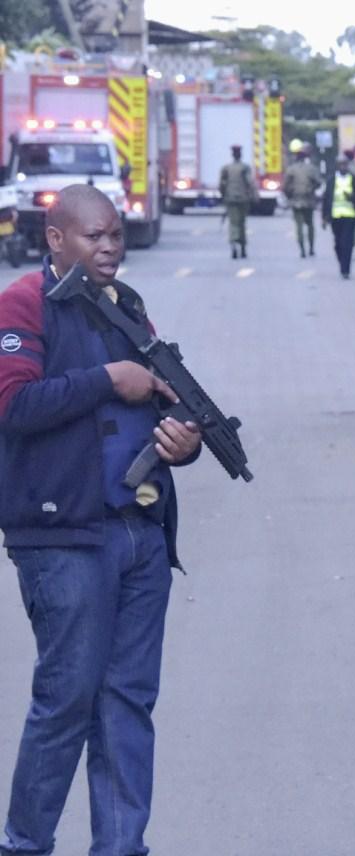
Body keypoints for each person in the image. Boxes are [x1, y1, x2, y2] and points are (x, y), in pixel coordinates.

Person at [0, 185, 202, 856]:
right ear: (56, 240)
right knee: (65, 703)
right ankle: (25, 845)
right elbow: (14, 406)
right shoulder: (24, 305)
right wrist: (109, 380)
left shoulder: (128, 308)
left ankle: (120, 848)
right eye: (94, 235)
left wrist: (184, 437)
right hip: (64, 541)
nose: (111, 245)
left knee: (127, 705)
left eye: (116, 233)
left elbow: (164, 402)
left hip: (140, 536)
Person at [322, 155, 355, 280]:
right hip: (335, 216)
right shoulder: (331, 181)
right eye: (340, 164)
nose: (343, 167)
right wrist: (324, 217)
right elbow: (326, 199)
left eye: (345, 164)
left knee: (347, 243)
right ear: (337, 166)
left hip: (350, 215)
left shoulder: (354, 180)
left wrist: (352, 197)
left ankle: (345, 269)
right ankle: (342, 262)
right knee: (338, 244)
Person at [283, 145, 323, 259]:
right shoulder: (311, 169)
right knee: (310, 225)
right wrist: (312, 189)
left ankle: (302, 249)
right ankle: (311, 248)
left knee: (299, 226)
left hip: (296, 200)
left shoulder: (291, 169)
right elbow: (319, 183)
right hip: (309, 200)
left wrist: (289, 196)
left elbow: (285, 186)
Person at [219, 144, 257, 259]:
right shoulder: (245, 168)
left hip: (230, 199)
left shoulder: (226, 168)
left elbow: (221, 184)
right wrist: (254, 195)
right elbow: (250, 183)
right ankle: (243, 247)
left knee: (233, 223)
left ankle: (234, 244)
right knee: (242, 223)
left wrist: (223, 195)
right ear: (240, 154)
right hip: (243, 199)